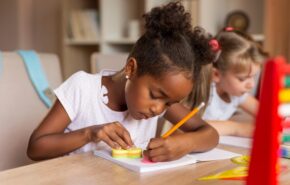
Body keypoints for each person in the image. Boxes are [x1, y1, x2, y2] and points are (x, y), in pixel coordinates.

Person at [27, 2, 219, 162]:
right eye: (155, 96)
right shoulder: (82, 88)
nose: (159, 110)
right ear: (131, 68)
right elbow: (35, 148)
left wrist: (185, 144)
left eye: (169, 104)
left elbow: (210, 134)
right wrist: (90, 134)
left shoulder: (161, 102)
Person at [194, 27, 269, 137]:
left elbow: (265, 112)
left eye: (253, 77)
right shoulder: (205, 92)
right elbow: (192, 127)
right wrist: (237, 128)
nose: (251, 84)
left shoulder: (235, 93)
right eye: (242, 79)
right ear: (216, 75)